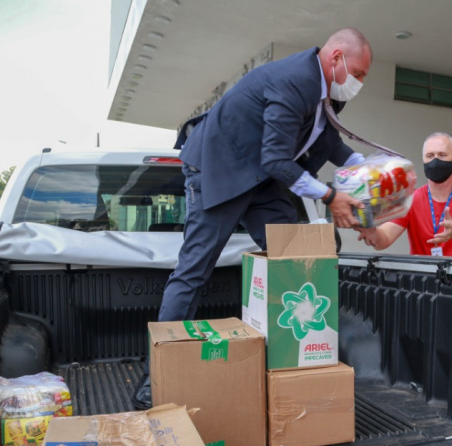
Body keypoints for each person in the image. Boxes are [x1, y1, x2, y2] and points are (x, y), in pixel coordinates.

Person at [159, 28, 371, 322]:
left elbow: (330, 142)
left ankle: (295, 344)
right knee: (195, 269)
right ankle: (163, 365)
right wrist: (330, 196)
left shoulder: (328, 92)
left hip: (257, 176)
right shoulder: (296, 80)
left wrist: (372, 168)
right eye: (358, 74)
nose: (359, 83)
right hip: (218, 169)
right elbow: (275, 159)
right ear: (337, 57)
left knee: (290, 253)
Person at [356, 132, 452, 256]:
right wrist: (372, 232)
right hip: (424, 278)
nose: (435, 161)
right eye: (430, 156)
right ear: (423, 159)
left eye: (442, 155)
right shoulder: (410, 199)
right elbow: (384, 238)